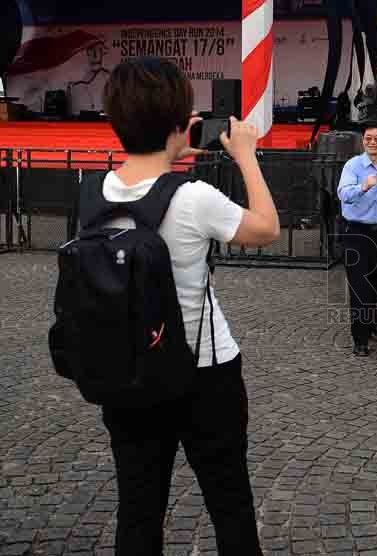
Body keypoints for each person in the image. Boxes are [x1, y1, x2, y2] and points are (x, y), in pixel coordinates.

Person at [99, 57, 279, 555]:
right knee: (229, 503)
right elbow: (266, 227)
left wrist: (172, 141)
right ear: (181, 123)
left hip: (126, 371)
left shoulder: (93, 192)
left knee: (138, 510)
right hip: (204, 372)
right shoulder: (195, 197)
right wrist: (245, 154)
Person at [337, 121, 377, 356]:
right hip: (357, 234)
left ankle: (371, 327)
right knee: (360, 288)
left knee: (373, 284)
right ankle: (359, 339)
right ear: (363, 141)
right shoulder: (353, 166)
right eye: (368, 138)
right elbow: (343, 194)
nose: (373, 142)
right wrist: (363, 186)